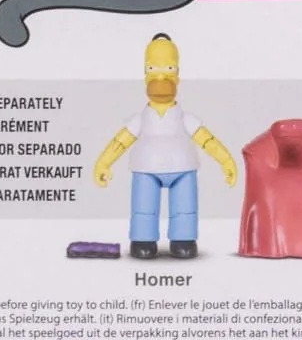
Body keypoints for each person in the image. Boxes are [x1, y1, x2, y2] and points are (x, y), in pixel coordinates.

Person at [92, 33, 236, 260]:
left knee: (185, 209)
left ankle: (183, 240)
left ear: (177, 74)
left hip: (183, 168)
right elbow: (120, 142)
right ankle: (143, 240)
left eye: (169, 69)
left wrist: (226, 161)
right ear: (145, 74)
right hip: (146, 169)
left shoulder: (185, 118)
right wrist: (103, 163)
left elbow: (207, 140)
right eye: (153, 70)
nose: (161, 78)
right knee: (143, 208)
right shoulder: (141, 119)